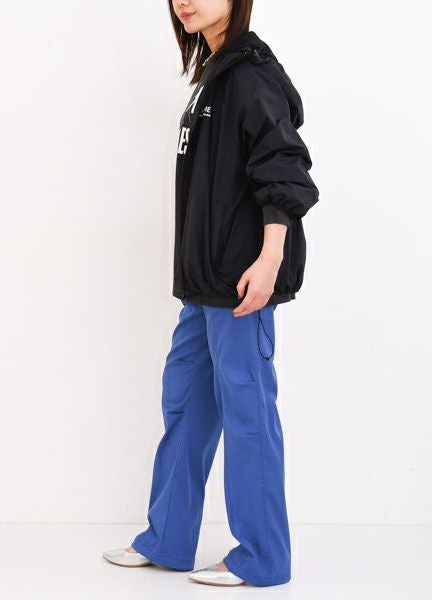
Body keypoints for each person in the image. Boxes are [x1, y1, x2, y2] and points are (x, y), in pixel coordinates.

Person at [102, 0, 319, 588]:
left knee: (249, 414)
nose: (184, 0)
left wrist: (269, 258)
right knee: (187, 404)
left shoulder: (250, 73)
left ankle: (262, 557)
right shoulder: (213, 76)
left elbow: (283, 166)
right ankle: (168, 539)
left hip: (241, 283)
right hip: (204, 285)